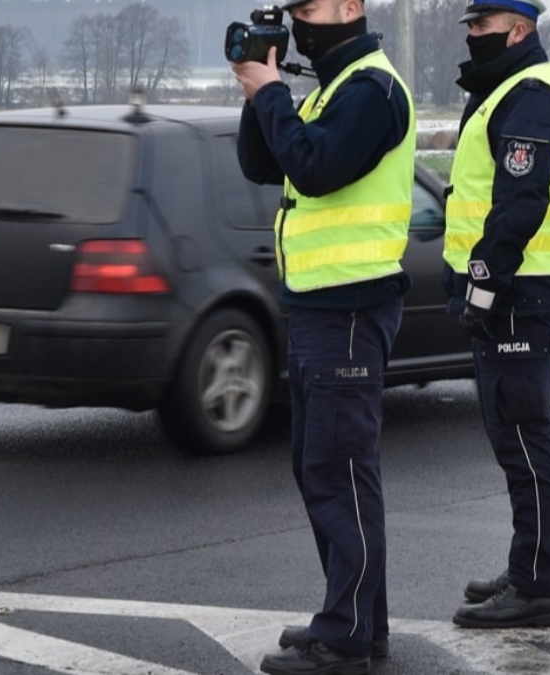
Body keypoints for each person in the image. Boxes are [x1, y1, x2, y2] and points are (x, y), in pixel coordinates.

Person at [232, 0, 415, 672]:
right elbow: (265, 164)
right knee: (322, 469)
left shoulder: (372, 89)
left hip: (349, 308)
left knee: (338, 473)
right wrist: (261, 95)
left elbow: (315, 167)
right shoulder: (329, 91)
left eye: (308, 7)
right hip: (316, 306)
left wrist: (276, 94)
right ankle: (358, 621)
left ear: (351, 7)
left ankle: (345, 638)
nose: (300, 19)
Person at [441, 0, 550, 629]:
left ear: (518, 29)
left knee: (526, 437)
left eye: (482, 25)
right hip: (509, 290)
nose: (473, 35)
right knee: (513, 437)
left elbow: (520, 202)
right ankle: (530, 565)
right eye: (471, 25)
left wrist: (482, 283)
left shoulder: (531, 94)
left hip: (517, 291)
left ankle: (537, 587)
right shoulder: (506, 89)